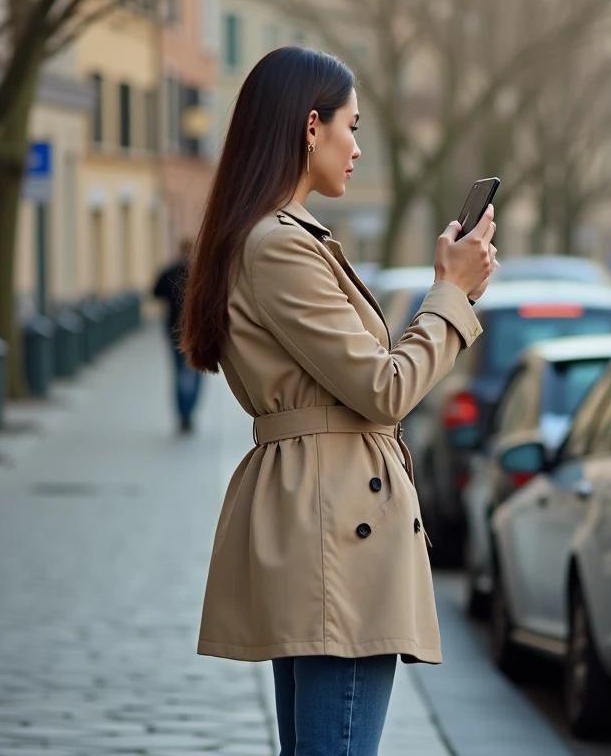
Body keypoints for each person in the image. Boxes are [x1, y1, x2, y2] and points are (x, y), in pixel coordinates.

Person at [178, 47, 496, 756]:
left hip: (323, 510)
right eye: (352, 126)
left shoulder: (270, 237)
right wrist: (453, 294)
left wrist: (450, 292)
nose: (358, 148)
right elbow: (385, 389)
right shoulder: (279, 246)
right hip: (337, 521)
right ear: (311, 126)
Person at [153, 238, 200, 433]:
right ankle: (190, 412)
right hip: (198, 331)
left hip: (174, 329)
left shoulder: (170, 271)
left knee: (179, 372)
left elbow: (155, 293)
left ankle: (182, 414)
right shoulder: (200, 272)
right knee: (196, 372)